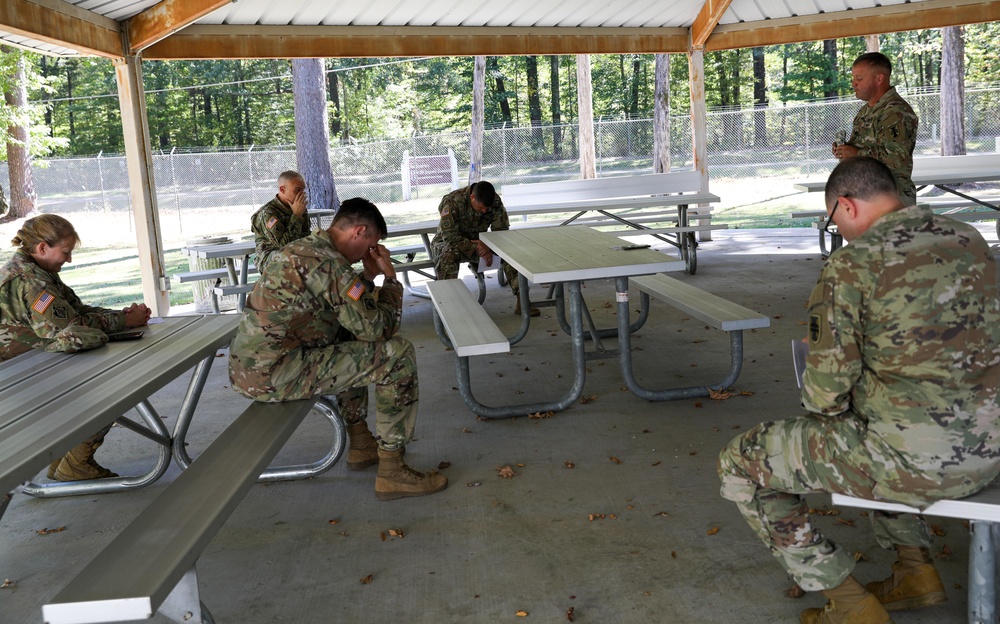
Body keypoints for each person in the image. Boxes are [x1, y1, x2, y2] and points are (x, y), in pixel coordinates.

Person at [718, 157, 1000, 624]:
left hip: (918, 463)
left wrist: (824, 359)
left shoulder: (853, 264)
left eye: (832, 220)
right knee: (877, 422)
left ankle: (851, 607)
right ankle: (915, 573)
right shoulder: (967, 237)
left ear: (845, 206)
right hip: (990, 447)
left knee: (742, 462)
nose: (837, 231)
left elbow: (824, 397)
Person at [229, 197, 447, 501]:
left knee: (348, 337)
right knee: (397, 356)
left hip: (256, 368)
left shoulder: (311, 248)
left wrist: (368, 276)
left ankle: (360, 444)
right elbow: (376, 329)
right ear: (358, 232)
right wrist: (391, 280)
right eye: (372, 243)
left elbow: (349, 311)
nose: (370, 251)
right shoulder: (328, 262)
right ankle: (393, 472)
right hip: (274, 372)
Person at [0, 214, 151, 481]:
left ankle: (64, 460)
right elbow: (71, 327)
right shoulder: (32, 282)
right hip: (17, 375)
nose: (68, 260)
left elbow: (76, 310)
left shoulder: (38, 270)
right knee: (109, 387)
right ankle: (74, 464)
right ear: (42, 247)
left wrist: (121, 315)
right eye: (65, 252)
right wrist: (124, 320)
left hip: (31, 362)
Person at [430, 181, 537, 316]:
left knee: (509, 252)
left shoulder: (494, 201)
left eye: (487, 208)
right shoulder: (453, 201)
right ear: (472, 197)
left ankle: (523, 301)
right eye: (481, 208)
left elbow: (501, 232)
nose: (484, 211)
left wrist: (487, 245)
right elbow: (449, 236)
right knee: (448, 255)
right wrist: (477, 247)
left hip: (482, 242)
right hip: (448, 243)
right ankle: (447, 307)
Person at [832, 52, 918, 207]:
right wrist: (845, 151)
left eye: (859, 79)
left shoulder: (895, 112)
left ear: (879, 79)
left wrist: (857, 154)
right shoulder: (866, 111)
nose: (853, 84)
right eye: (853, 79)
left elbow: (897, 158)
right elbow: (862, 148)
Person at [250, 170, 310, 274]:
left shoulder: (299, 208)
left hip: (296, 254)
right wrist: (296, 216)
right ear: (282, 189)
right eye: (297, 190)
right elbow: (284, 246)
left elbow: (306, 237)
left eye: (303, 191)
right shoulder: (268, 213)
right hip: (270, 259)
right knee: (289, 256)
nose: (302, 195)